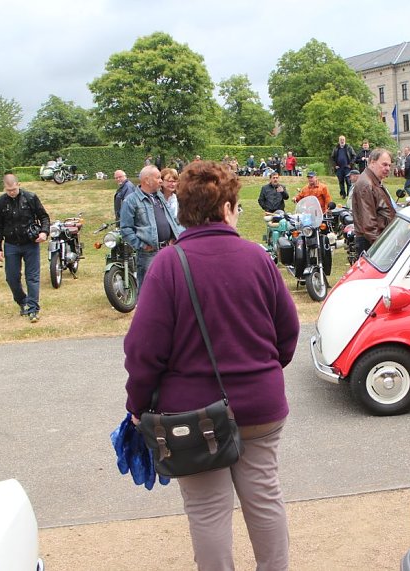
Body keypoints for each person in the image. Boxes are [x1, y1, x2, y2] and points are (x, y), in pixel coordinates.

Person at [123, 160, 299, 571]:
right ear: (226, 208)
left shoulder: (168, 264)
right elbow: (287, 332)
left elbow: (143, 350)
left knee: (207, 510)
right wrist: (261, 371)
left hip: (192, 413)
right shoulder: (257, 258)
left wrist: (137, 404)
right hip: (260, 406)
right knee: (264, 497)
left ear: (184, 210)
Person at [0, 173, 51, 323]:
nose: (12, 192)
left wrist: (44, 232)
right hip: (11, 244)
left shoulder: (30, 197)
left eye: (14, 189)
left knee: (32, 277)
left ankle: (33, 309)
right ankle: (22, 301)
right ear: (4, 188)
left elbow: (44, 217)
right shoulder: (0, 202)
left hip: (30, 243)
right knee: (11, 277)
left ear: (18, 185)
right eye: (8, 190)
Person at [119, 165, 181, 291]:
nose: (160, 181)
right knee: (149, 290)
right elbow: (125, 229)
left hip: (168, 249)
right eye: (158, 178)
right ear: (147, 180)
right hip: (149, 254)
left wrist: (174, 237)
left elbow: (172, 219)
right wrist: (142, 246)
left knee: (170, 287)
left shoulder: (159, 197)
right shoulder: (131, 201)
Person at [351, 148, 396, 255]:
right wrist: (381, 248)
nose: (387, 168)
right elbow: (369, 224)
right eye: (384, 164)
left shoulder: (373, 181)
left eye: (389, 165)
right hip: (371, 243)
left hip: (376, 239)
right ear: (372, 162)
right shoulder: (366, 184)